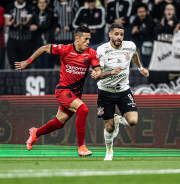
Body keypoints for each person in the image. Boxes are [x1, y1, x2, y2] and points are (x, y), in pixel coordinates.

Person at [15, 26, 121, 157]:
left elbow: (98, 69)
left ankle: (35, 133)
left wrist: (97, 73)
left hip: (74, 95)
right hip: (63, 91)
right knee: (83, 109)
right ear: (77, 38)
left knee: (58, 123)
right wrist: (27, 62)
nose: (88, 42)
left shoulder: (91, 53)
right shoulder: (65, 50)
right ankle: (81, 147)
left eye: (89, 39)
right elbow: (43, 48)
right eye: (85, 39)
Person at [91, 23, 149, 161]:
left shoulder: (130, 46)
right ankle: (109, 151)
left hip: (123, 90)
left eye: (121, 34)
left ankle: (118, 119)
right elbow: (98, 74)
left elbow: (134, 54)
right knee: (109, 128)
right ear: (110, 34)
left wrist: (140, 68)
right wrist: (110, 72)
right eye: (116, 34)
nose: (119, 37)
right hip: (105, 92)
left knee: (133, 121)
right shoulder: (102, 50)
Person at [27, 0, 56, 69]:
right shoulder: (35, 13)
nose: (42, 4)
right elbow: (28, 25)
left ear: (46, 4)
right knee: (38, 63)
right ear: (37, 4)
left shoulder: (51, 12)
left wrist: (37, 27)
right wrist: (30, 26)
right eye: (40, 2)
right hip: (38, 42)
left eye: (44, 2)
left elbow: (48, 25)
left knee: (48, 63)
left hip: (48, 41)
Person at [4, 0, 33, 69]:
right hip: (13, 41)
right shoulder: (10, 7)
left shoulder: (29, 7)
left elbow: (28, 22)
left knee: (26, 66)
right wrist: (11, 23)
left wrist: (20, 23)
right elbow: (6, 22)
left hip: (26, 40)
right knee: (14, 65)